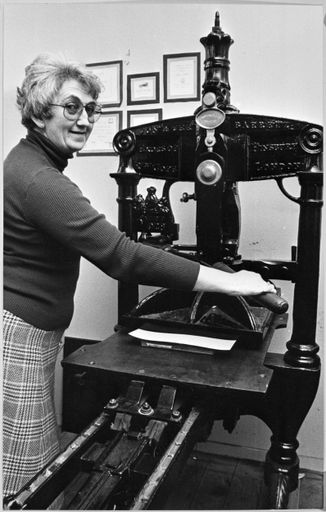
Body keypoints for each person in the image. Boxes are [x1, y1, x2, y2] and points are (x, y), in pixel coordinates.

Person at [3, 53, 276, 500]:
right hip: (20, 331)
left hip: (32, 326)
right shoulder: (39, 180)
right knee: (24, 473)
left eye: (91, 109)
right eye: (72, 107)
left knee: (30, 455)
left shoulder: (33, 164)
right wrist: (233, 281)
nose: (85, 119)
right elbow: (120, 255)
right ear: (38, 109)